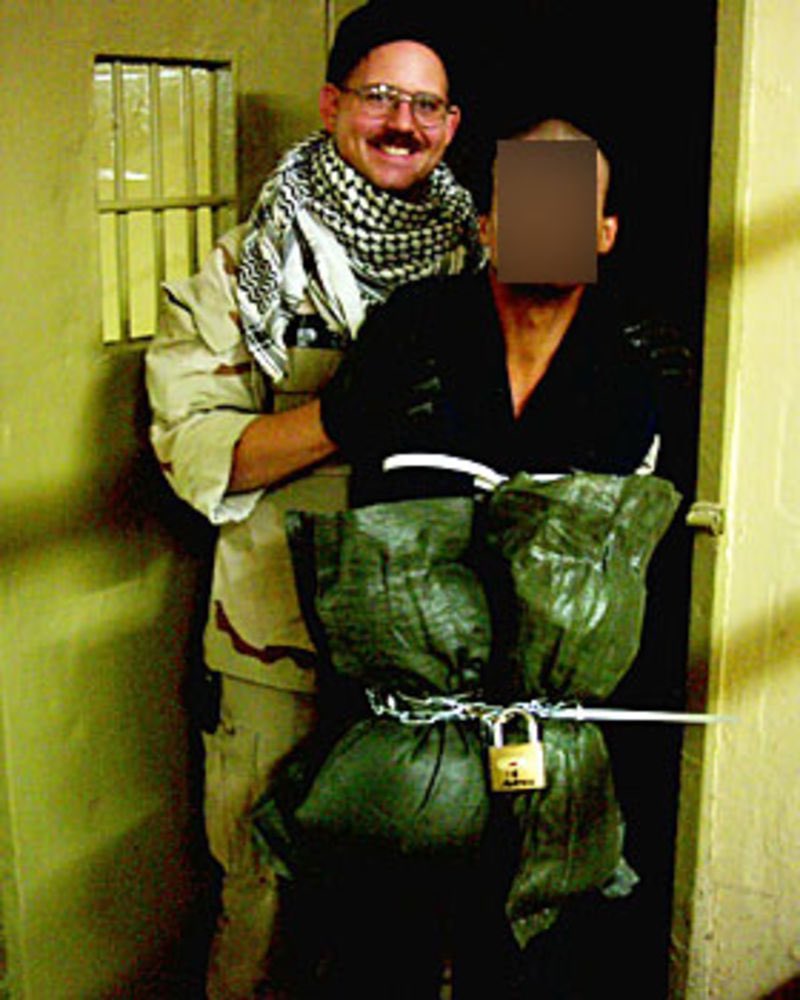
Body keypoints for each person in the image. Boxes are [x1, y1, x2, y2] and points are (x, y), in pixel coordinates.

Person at [266, 116, 693, 997]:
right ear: (489, 224)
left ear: (605, 232)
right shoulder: (409, 333)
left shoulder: (642, 366)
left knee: (531, 960)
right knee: (377, 960)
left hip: (554, 747)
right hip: (404, 742)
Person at [145, 3, 481, 995]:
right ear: (331, 104)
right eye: (379, 97)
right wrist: (342, 418)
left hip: (437, 648)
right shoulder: (248, 263)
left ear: (452, 125)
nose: (403, 124)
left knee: (426, 910)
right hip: (279, 648)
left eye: (426, 105)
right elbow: (192, 449)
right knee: (266, 908)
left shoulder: (485, 255)